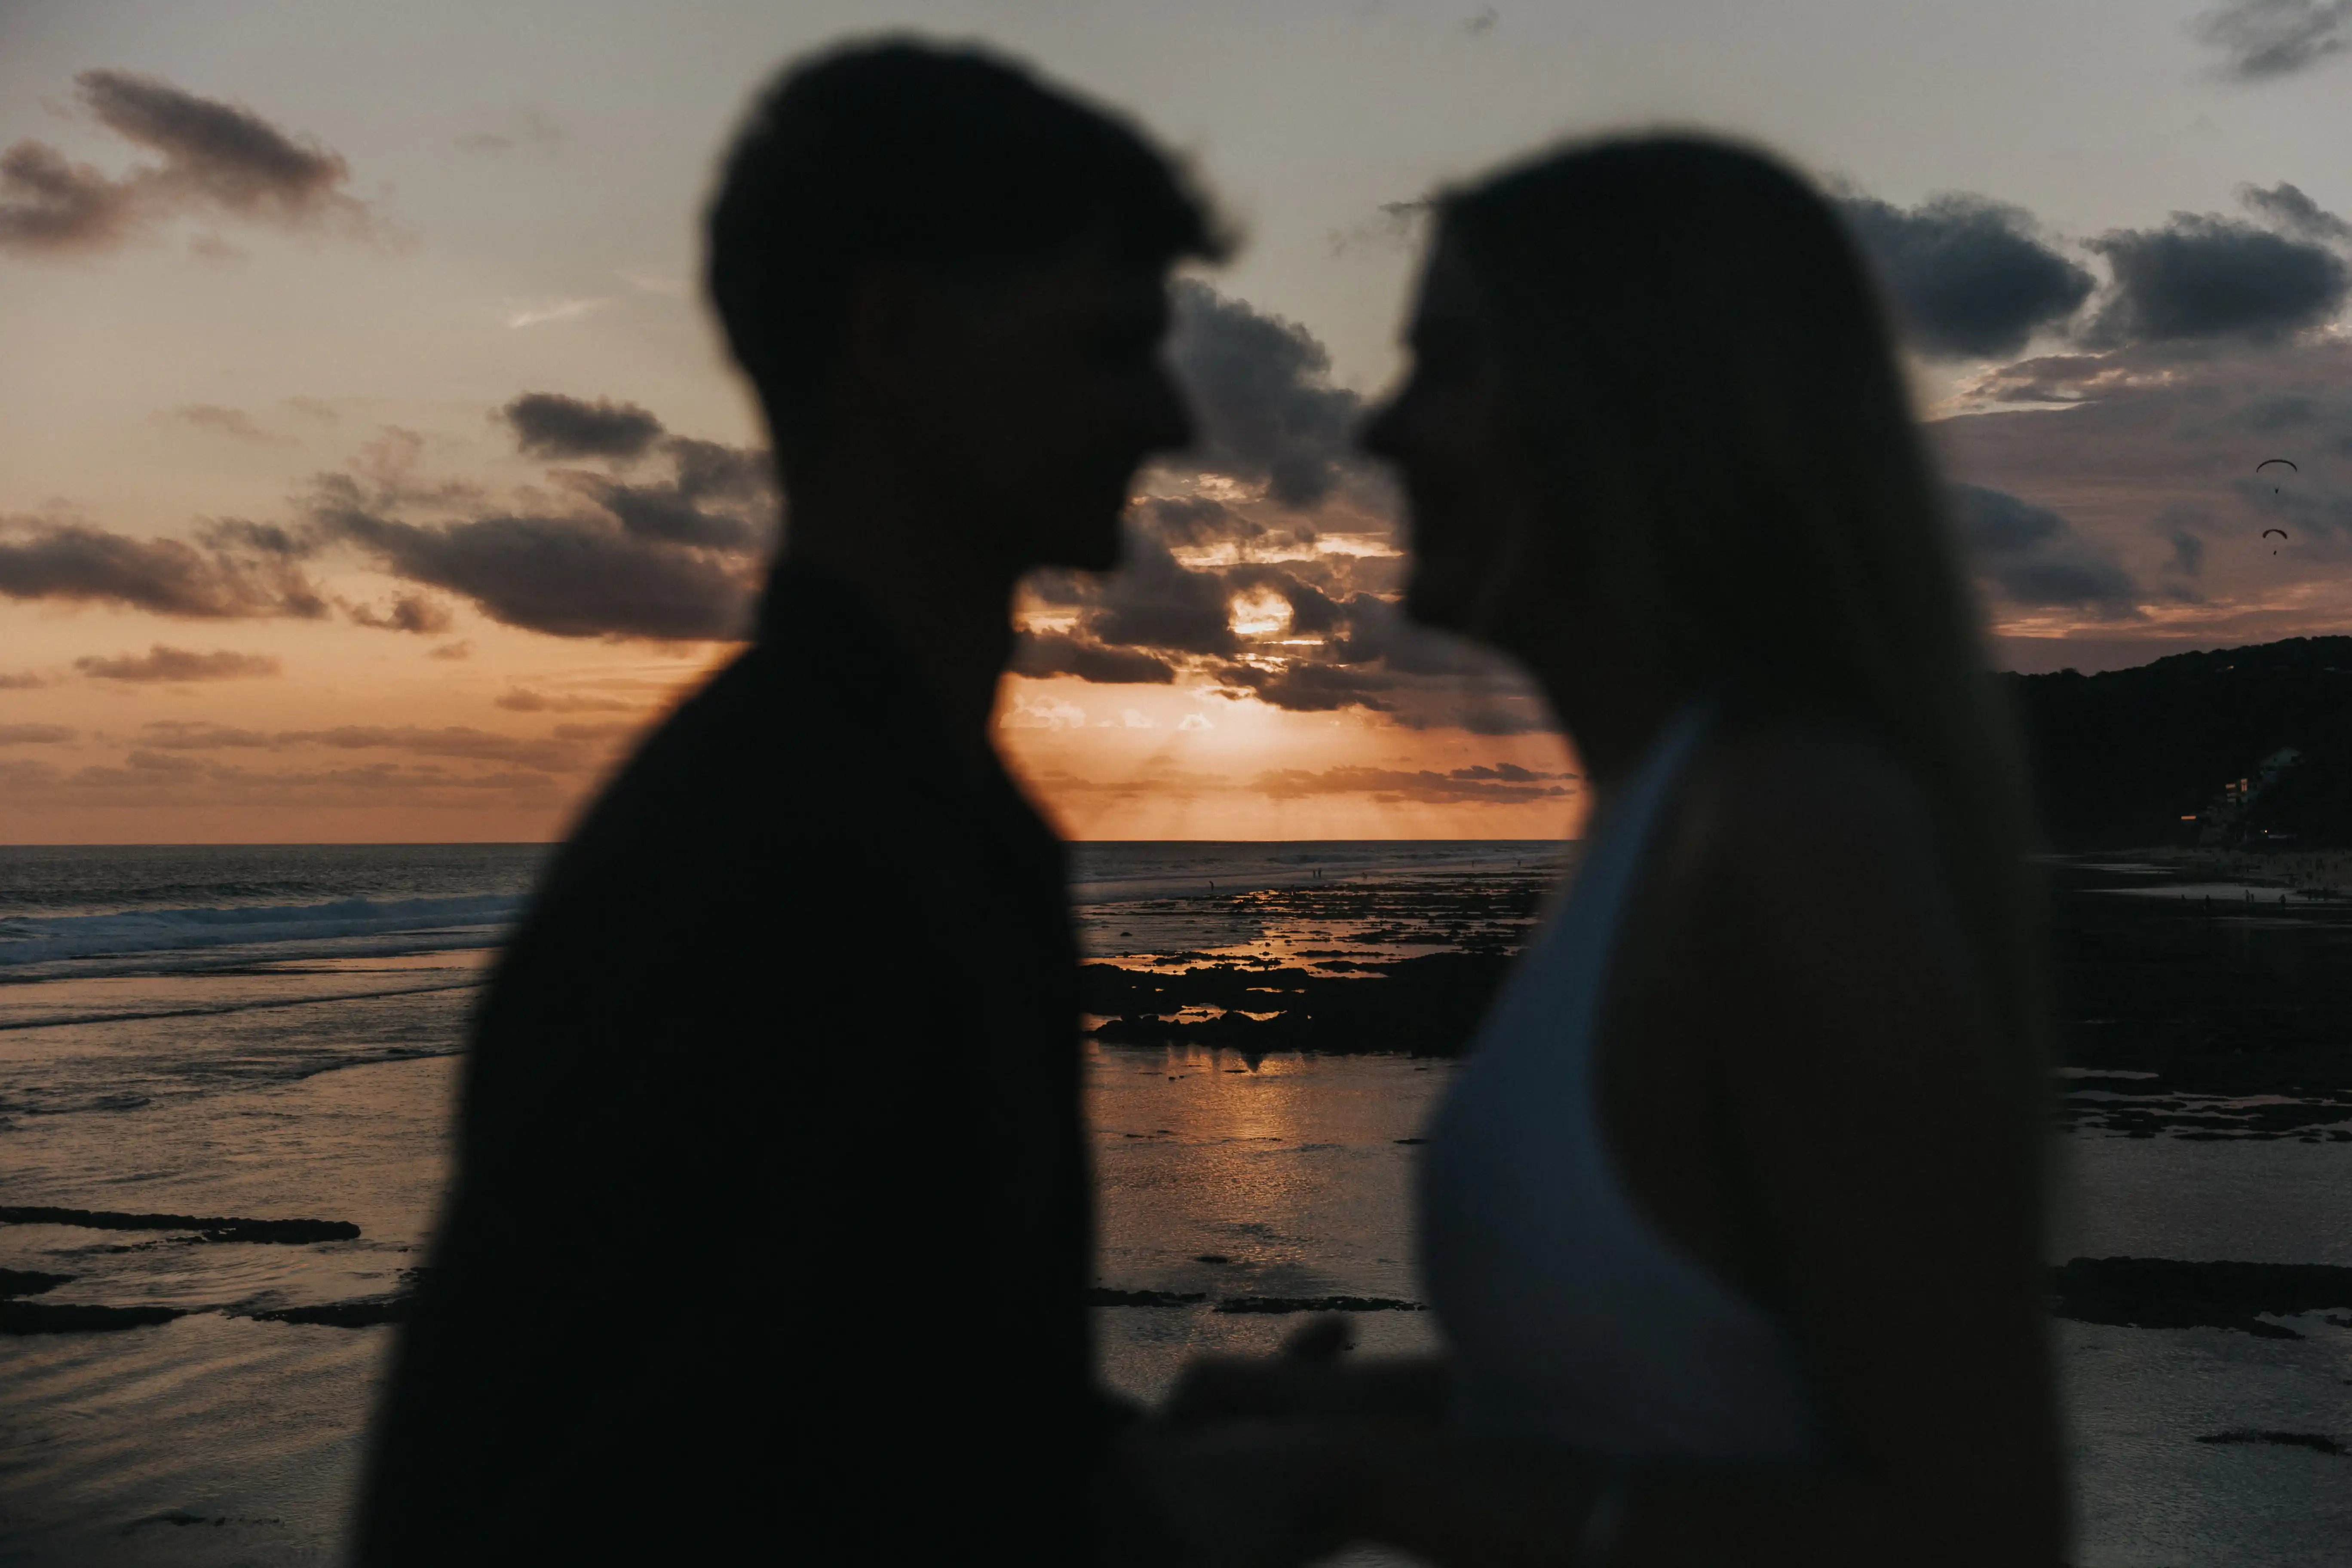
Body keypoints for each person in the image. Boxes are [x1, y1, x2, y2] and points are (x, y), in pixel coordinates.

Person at [355, 40, 1223, 1566]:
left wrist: (1133, 1482)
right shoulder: (755, 867)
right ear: (890, 335)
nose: (1171, 418)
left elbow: (869, 1430)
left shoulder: (942, 818)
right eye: (1109, 347)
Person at [1146, 136, 2064, 1568]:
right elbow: (1667, 1400)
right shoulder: (1654, 814)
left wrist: (1375, 1491)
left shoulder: (1790, 837)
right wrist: (1341, 1422)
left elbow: (1974, 1532)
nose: (1381, 430)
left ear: (1618, 405)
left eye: (1443, 363)